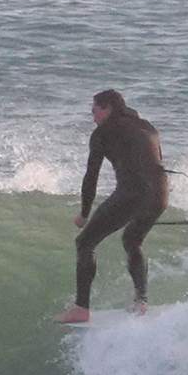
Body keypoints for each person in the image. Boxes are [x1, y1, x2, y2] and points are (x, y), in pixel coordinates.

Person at [60, 88, 168, 323]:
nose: (93, 117)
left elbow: (91, 176)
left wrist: (84, 214)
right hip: (160, 195)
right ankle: (141, 301)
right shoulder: (147, 126)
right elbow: (155, 161)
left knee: (85, 242)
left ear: (107, 107)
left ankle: (81, 308)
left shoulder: (103, 133)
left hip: (132, 193)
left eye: (95, 111)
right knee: (132, 240)